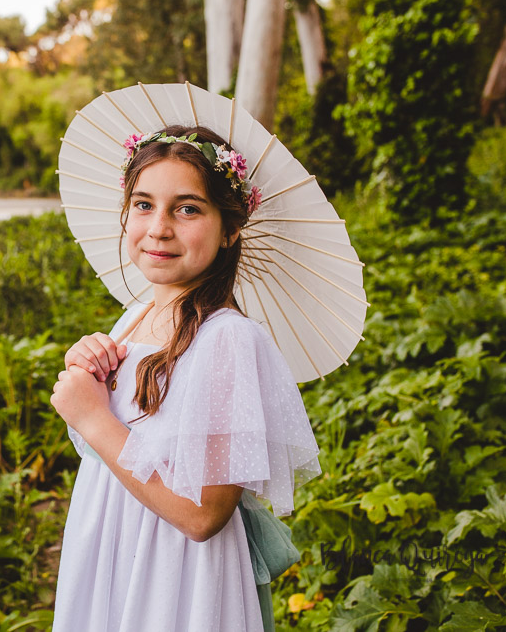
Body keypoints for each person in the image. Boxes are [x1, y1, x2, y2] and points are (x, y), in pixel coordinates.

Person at [50, 125, 322, 631]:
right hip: (111, 546)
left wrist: (92, 418)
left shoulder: (226, 339)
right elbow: (110, 452)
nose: (159, 228)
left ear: (231, 228)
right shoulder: (132, 318)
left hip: (172, 574)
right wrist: (88, 374)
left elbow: (203, 514)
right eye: (144, 204)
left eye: (188, 209)